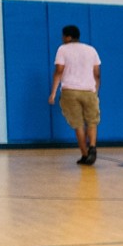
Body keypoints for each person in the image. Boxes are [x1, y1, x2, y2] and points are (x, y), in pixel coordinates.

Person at [48, 25, 101, 165]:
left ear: (68, 37)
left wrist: (53, 93)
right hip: (89, 90)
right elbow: (97, 74)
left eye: (63, 36)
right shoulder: (91, 50)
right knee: (92, 121)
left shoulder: (62, 49)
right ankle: (93, 148)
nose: (62, 38)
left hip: (70, 91)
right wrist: (95, 92)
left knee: (78, 124)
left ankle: (85, 155)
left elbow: (59, 70)